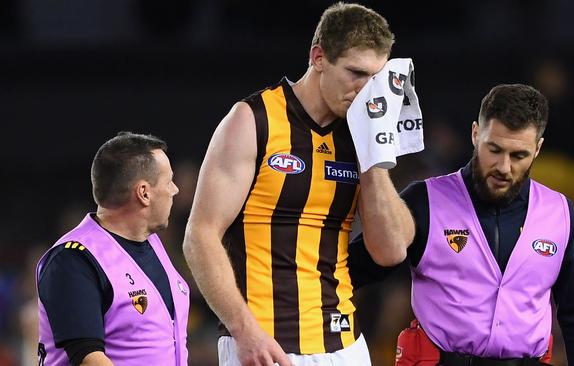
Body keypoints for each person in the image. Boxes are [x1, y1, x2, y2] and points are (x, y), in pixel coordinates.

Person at [182, 2, 414, 366]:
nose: (364, 90)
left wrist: (374, 152)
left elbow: (392, 251)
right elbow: (200, 234)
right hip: (265, 344)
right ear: (318, 57)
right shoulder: (253, 120)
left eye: (374, 78)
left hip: (346, 344)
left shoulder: (362, 133)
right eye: (355, 73)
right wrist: (243, 330)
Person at [350, 84, 574, 365]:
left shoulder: (560, 214)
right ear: (475, 134)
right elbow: (351, 271)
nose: (503, 167)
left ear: (538, 149)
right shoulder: (425, 201)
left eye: (518, 155)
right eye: (494, 149)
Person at [37, 132, 190, 366]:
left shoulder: (153, 245)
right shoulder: (73, 260)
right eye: (169, 181)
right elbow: (88, 358)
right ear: (144, 193)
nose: (175, 190)